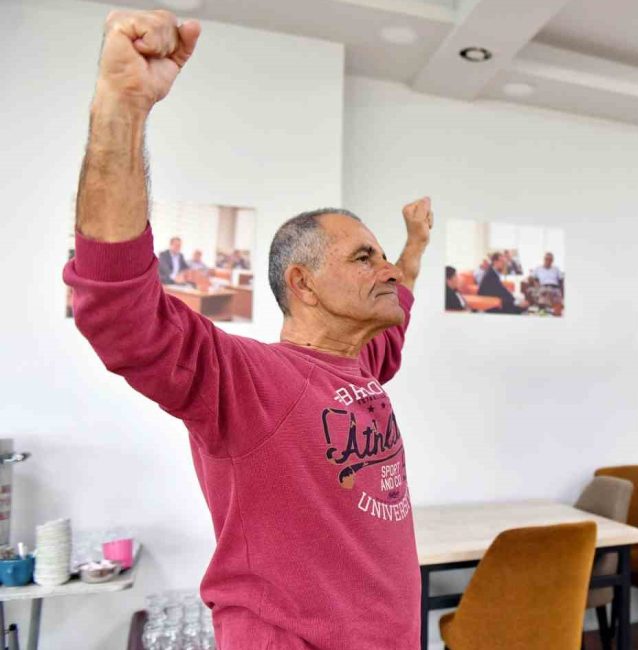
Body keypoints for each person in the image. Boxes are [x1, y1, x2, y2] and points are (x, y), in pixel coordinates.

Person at [63, 11, 433, 649]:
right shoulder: (251, 380)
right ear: (304, 283)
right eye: (363, 257)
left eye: (384, 258)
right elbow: (120, 310)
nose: (389, 272)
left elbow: (398, 314)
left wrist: (416, 246)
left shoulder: (362, 364)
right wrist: (123, 110)